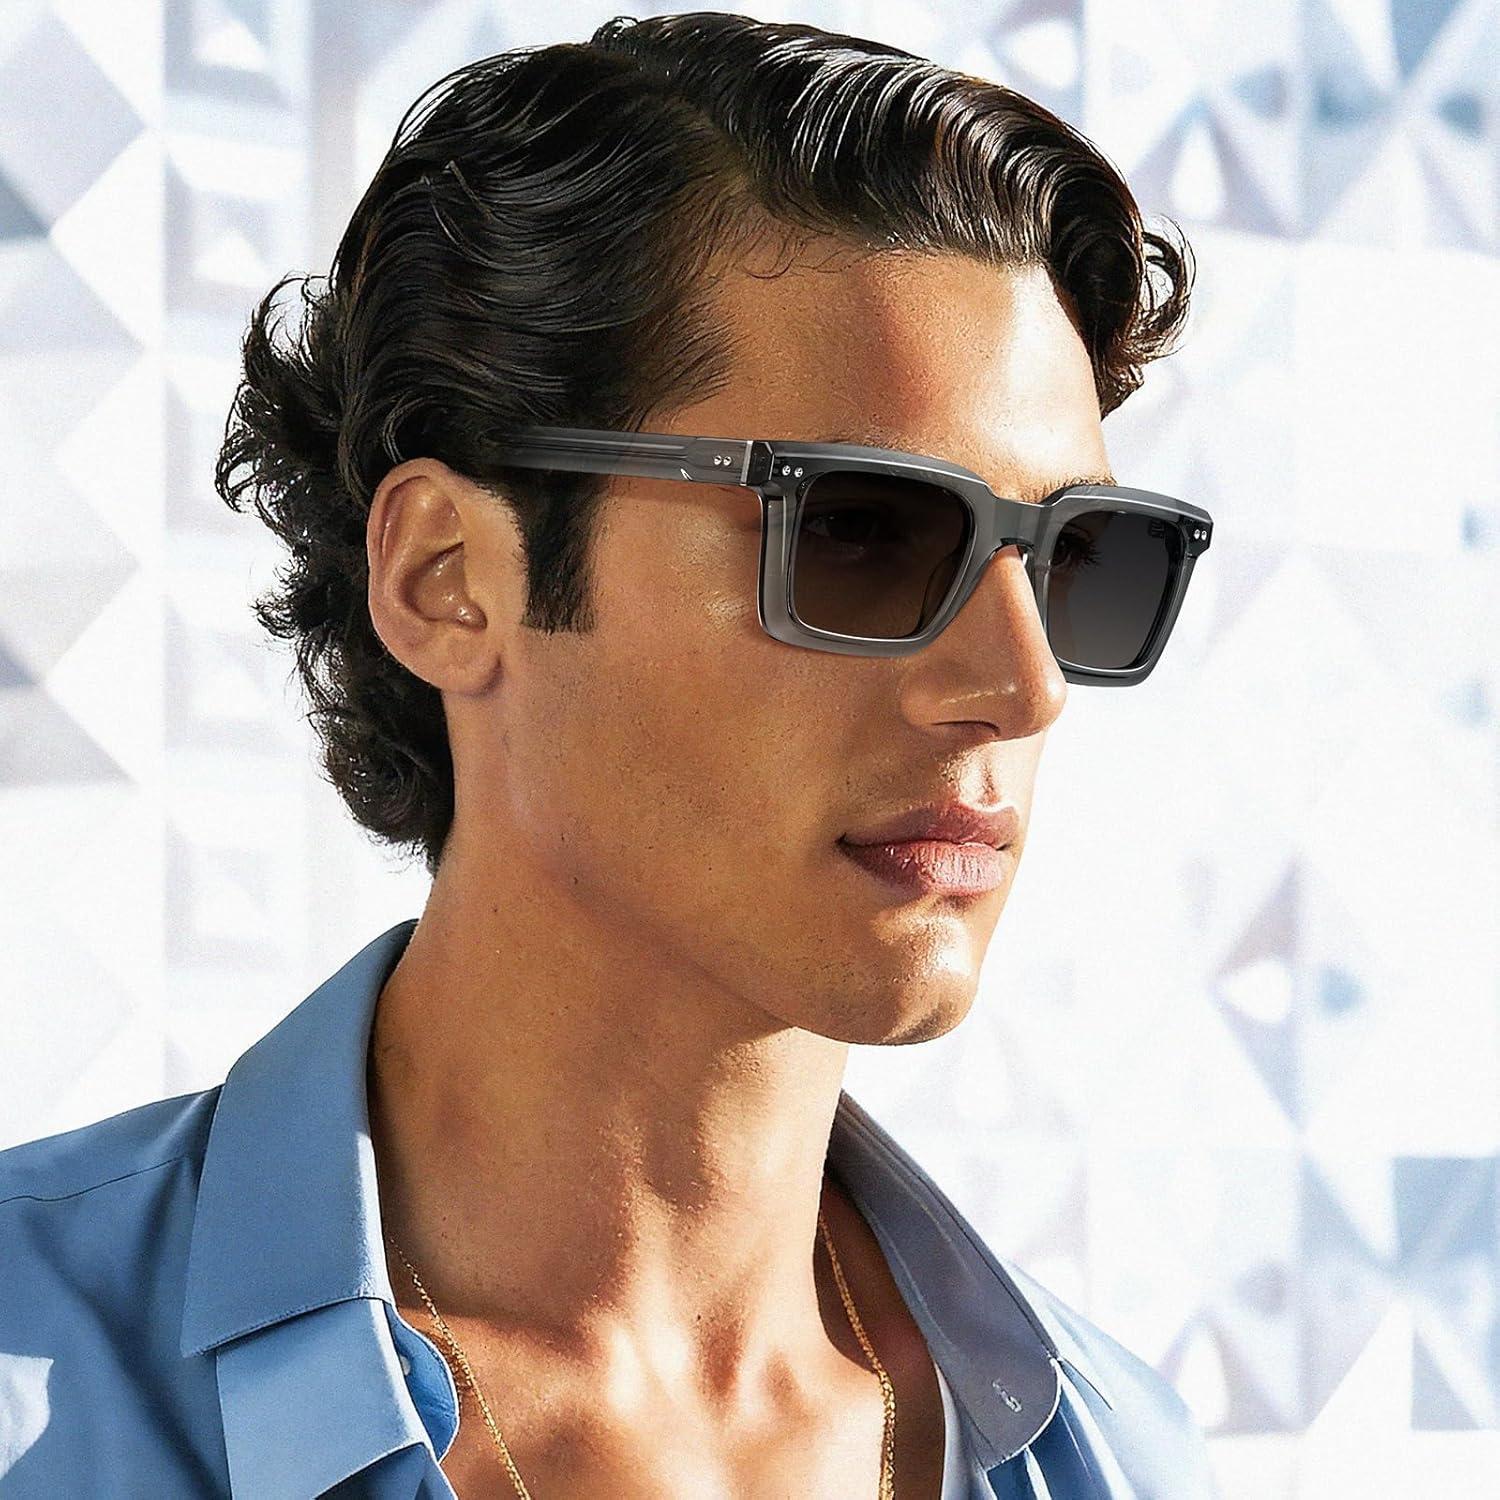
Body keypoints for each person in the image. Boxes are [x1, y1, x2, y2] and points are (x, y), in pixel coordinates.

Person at [0, 12, 1218, 1497]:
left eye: (1077, 558)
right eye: (859, 531)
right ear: (449, 575)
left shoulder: (1112, 1456)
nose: (1022, 686)